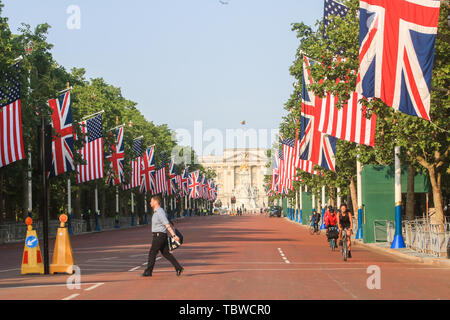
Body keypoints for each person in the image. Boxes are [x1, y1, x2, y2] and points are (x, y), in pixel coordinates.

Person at [142, 195, 184, 277]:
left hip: (159, 236)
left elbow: (167, 224)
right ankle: (178, 267)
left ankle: (148, 271)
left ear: (155, 202)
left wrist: (174, 235)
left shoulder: (160, 212)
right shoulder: (157, 212)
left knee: (152, 252)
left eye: (151, 201)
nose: (150, 203)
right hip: (160, 235)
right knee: (166, 253)